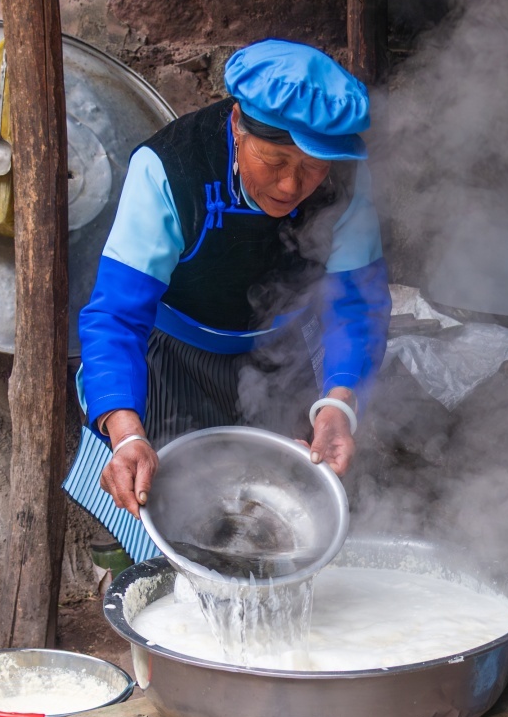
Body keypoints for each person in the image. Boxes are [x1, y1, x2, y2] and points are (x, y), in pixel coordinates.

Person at [71, 39, 390, 527]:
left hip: (280, 356)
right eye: (275, 162)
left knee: (286, 513)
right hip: (171, 356)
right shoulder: (169, 169)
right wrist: (126, 431)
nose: (289, 186)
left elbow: (356, 304)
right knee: (170, 514)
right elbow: (116, 314)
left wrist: (339, 405)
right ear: (238, 125)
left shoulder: (348, 181)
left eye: (310, 168)